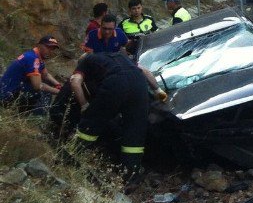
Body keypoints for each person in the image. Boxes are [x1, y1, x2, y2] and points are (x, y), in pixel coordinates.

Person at [69, 51, 166, 180]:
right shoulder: (122, 56)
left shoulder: (86, 61)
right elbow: (146, 72)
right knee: (135, 131)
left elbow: (75, 82)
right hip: (139, 84)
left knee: (92, 121)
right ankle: (131, 175)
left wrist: (85, 106)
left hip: (116, 82)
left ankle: (72, 154)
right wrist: (159, 92)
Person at [0, 35, 63, 113]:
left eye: (53, 49)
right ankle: (35, 115)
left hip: (8, 89)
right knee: (43, 91)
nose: (50, 51)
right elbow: (38, 86)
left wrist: (58, 85)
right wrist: (60, 92)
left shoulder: (35, 55)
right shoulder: (32, 59)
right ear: (39, 45)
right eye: (48, 47)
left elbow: (46, 75)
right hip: (6, 97)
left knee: (48, 83)